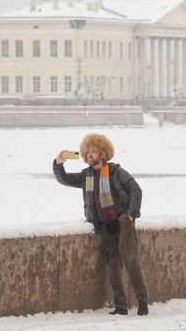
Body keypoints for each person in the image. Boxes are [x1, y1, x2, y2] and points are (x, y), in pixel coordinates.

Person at [52, 133, 149, 316]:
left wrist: (130, 215)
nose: (89, 154)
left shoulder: (116, 172)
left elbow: (136, 190)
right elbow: (63, 179)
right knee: (113, 265)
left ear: (103, 153)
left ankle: (143, 302)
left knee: (131, 260)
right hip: (104, 225)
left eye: (93, 151)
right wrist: (58, 163)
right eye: (86, 151)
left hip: (122, 220)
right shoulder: (85, 176)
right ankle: (121, 306)